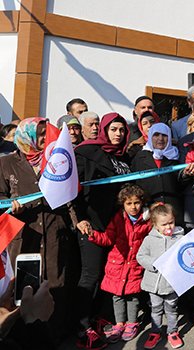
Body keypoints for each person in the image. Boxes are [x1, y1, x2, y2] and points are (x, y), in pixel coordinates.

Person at [0, 118, 77, 346]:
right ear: (27, 137)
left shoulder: (54, 159)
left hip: (54, 233)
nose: (45, 138)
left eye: (46, 133)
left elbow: (69, 192)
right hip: (24, 236)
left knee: (56, 285)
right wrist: (10, 203)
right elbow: (0, 196)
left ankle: (53, 337)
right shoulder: (6, 164)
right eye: (40, 134)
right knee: (24, 288)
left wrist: (77, 221)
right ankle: (21, 336)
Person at [73, 112, 131, 348]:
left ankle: (98, 318)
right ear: (105, 130)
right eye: (113, 129)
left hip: (117, 227)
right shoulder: (86, 152)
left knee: (109, 275)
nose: (118, 134)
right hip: (92, 225)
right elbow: (73, 188)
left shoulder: (124, 157)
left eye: (122, 130)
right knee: (91, 275)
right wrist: (80, 218)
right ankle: (82, 327)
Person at [86, 184, 152, 343]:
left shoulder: (147, 220)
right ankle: (119, 324)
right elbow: (107, 238)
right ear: (123, 204)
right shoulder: (118, 218)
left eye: (136, 202)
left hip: (135, 265)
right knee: (117, 297)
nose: (133, 207)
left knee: (133, 297)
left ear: (142, 202)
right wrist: (92, 234)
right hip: (117, 265)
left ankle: (132, 323)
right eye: (129, 203)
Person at [136, 203, 184, 349]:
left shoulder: (180, 238)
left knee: (171, 308)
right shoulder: (149, 239)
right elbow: (140, 256)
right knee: (155, 308)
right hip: (153, 284)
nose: (168, 227)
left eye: (171, 222)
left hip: (171, 283)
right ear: (155, 225)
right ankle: (155, 332)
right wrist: (155, 263)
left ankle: (173, 332)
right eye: (164, 224)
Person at [131, 123, 185, 224]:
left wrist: (186, 176)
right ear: (150, 136)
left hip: (173, 212)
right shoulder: (140, 157)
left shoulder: (176, 156)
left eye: (164, 135)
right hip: (150, 211)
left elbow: (181, 184)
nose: (160, 138)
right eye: (156, 135)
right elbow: (134, 184)